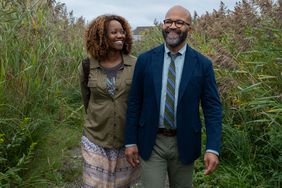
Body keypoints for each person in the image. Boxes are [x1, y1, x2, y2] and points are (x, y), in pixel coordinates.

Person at [125, 5, 222, 188]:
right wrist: (130, 141)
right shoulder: (145, 60)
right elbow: (134, 102)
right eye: (168, 21)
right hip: (151, 141)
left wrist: (212, 148)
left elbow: (212, 109)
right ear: (163, 25)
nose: (172, 26)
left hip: (184, 141)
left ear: (189, 28)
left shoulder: (202, 64)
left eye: (179, 22)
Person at [78, 14, 140, 188]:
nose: (120, 36)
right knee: (94, 185)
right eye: (114, 32)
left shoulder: (136, 65)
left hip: (125, 140)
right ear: (101, 36)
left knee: (121, 185)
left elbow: (140, 102)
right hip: (95, 138)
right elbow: (86, 99)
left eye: (122, 32)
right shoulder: (87, 66)